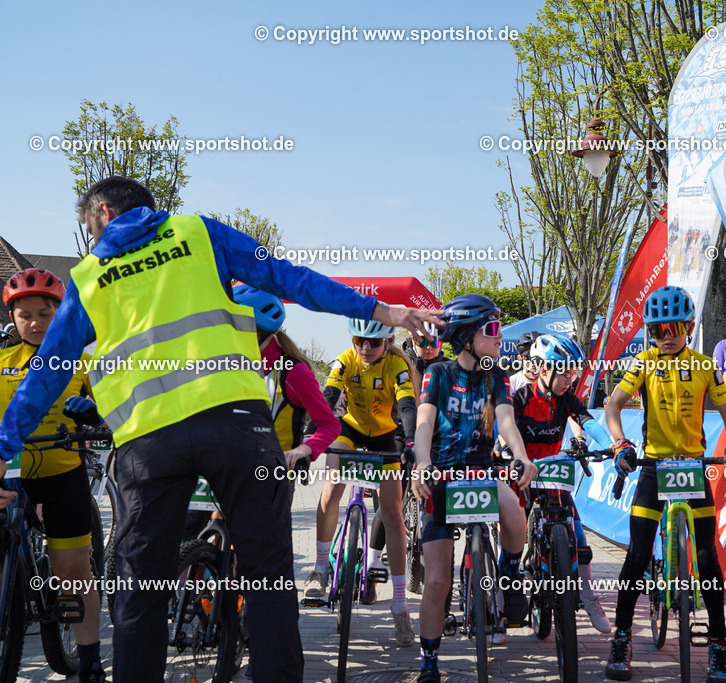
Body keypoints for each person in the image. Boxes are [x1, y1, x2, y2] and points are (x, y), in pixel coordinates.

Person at [0, 176, 440, 682]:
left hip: (148, 445)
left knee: (141, 593)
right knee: (268, 579)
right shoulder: (198, 231)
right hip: (237, 429)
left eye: (89, 227)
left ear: (101, 211)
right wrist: (384, 311)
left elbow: (48, 371)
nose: (92, 238)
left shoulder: (88, 274)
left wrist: (3, 446)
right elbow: (288, 277)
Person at [603, 285, 726, 682]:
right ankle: (622, 637)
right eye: (658, 331)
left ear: (690, 326)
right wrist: (620, 443)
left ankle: (720, 645)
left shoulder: (703, 365)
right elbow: (613, 405)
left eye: (675, 329)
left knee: (707, 558)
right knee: (636, 554)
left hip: (693, 467)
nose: (667, 338)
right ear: (650, 332)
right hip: (653, 467)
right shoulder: (644, 363)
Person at [410, 294, 538, 683]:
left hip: (480, 474)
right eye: (493, 329)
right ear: (466, 335)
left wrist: (520, 455)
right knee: (436, 580)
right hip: (443, 476)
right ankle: (429, 660)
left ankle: (509, 574)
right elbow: (424, 425)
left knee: (516, 514)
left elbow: (506, 421)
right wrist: (422, 463)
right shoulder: (439, 374)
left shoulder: (496, 374)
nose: (501, 336)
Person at [228, 284, 342, 683]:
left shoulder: (292, 371)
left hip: (272, 473)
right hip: (221, 468)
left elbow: (329, 423)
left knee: (259, 569)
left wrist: (304, 450)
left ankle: (258, 654)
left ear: (256, 329)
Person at [0, 269, 104, 682]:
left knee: (74, 571)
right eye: (25, 315)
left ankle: (91, 660)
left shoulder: (82, 362)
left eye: (45, 313)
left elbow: (114, 415)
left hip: (63, 473)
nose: (35, 322)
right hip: (9, 476)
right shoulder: (2, 362)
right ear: (13, 318)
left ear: (61, 313)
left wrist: (94, 415)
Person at [303, 318, 419, 646]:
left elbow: (408, 404)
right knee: (332, 480)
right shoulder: (346, 359)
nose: (365, 348)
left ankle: (399, 604)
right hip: (350, 429)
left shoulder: (396, 365)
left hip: (386, 436)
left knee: (393, 513)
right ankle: (320, 569)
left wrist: (410, 441)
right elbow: (328, 394)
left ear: (387, 342)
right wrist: (313, 431)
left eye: (373, 343)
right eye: (359, 340)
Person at [511, 333, 613, 633]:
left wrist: (612, 444)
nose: (571, 379)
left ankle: (589, 596)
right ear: (544, 370)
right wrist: (503, 448)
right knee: (513, 532)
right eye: (565, 372)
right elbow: (503, 428)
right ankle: (505, 600)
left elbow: (587, 420)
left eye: (573, 373)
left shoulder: (566, 398)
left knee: (580, 537)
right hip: (523, 474)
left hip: (552, 476)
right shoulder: (521, 397)